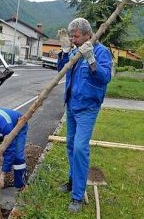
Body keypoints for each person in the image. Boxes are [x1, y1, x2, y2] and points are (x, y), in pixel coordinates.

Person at [57, 18, 112, 213]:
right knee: (71, 146)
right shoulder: (75, 51)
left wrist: (91, 60)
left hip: (88, 108)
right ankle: (72, 181)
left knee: (80, 148)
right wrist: (64, 53)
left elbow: (105, 77)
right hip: (72, 106)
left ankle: (77, 196)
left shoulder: (101, 52)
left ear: (88, 34)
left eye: (76, 36)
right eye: (71, 36)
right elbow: (63, 71)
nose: (73, 39)